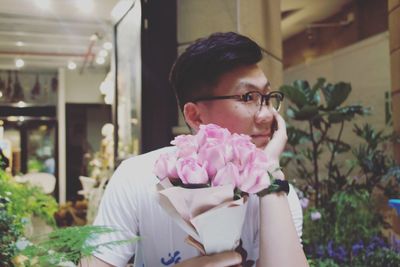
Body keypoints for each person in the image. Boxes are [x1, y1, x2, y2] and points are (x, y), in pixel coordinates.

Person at [81, 32, 309, 267]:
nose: (267, 115)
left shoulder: (278, 194)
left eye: (268, 97)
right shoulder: (137, 177)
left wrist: (269, 175)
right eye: (248, 96)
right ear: (195, 115)